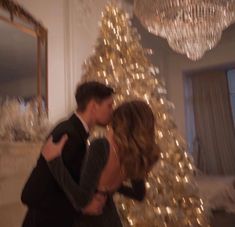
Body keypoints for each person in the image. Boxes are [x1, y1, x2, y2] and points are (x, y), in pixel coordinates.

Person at [42, 100, 160, 227]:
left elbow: (82, 200)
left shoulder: (102, 146)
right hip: (110, 218)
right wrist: (107, 189)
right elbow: (139, 194)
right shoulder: (135, 155)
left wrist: (54, 161)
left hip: (90, 220)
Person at [21, 81, 114, 227]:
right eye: (109, 106)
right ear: (94, 106)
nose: (112, 111)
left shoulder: (74, 132)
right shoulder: (68, 135)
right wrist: (83, 206)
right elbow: (37, 192)